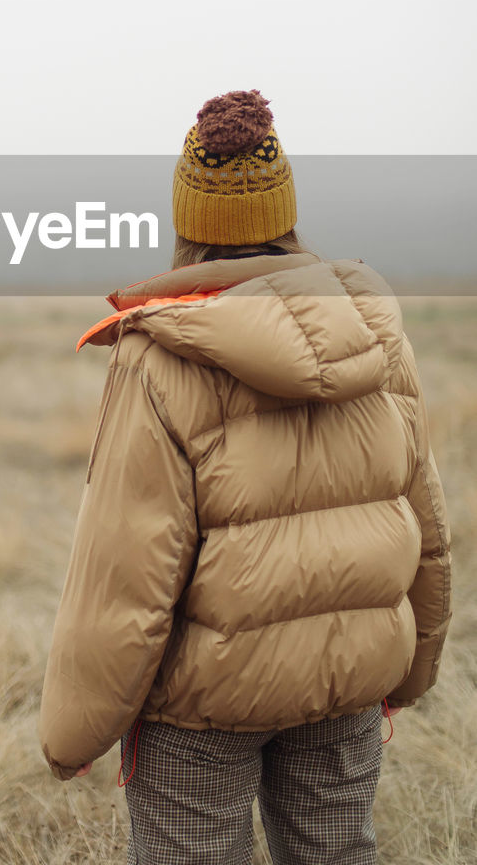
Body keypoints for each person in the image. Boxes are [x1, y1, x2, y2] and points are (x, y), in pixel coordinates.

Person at [38, 89, 452, 865]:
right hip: (351, 676)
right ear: (285, 212)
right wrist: (418, 661)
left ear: (187, 223)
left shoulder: (157, 355)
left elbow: (128, 570)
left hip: (202, 705)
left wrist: (73, 734)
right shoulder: (375, 331)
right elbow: (423, 514)